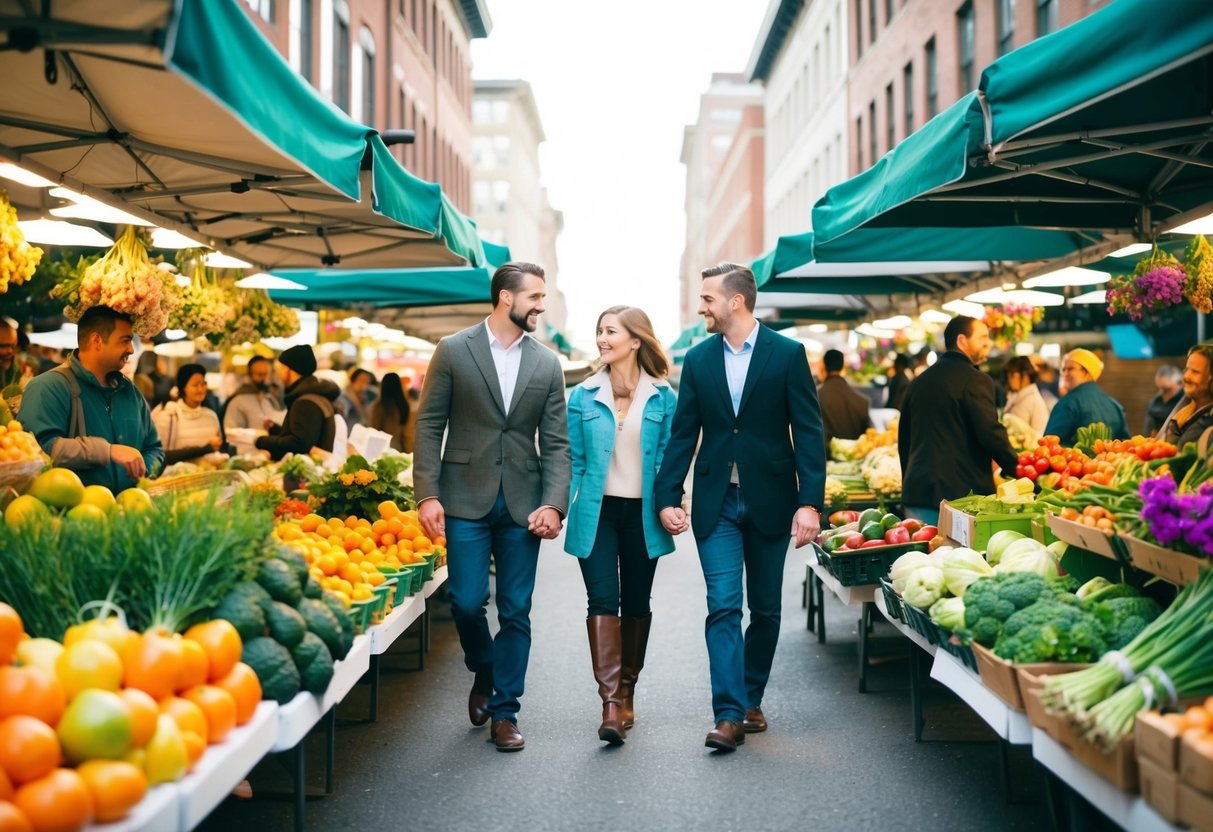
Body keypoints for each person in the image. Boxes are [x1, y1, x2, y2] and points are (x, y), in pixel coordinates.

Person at [653, 263, 825, 753]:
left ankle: (752, 697)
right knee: (723, 606)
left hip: (772, 499)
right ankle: (728, 714)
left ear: (736, 301)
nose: (701, 306)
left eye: (708, 298)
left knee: (766, 610)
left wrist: (809, 503)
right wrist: (668, 495)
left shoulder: (788, 354)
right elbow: (684, 432)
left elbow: (809, 434)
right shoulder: (698, 358)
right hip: (716, 502)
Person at [413, 262, 571, 753]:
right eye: (535, 297)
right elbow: (429, 425)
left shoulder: (547, 364)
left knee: (517, 609)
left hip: (524, 504)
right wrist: (427, 493)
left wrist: (554, 505)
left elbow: (559, 445)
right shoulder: (453, 350)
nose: (541, 305)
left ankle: (506, 711)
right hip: (462, 497)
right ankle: (484, 666)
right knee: (464, 601)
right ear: (506, 297)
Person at [563, 306, 676, 746]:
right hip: (597, 512)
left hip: (643, 517)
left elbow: (668, 460)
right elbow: (574, 460)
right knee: (601, 600)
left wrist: (673, 504)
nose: (602, 339)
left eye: (610, 332)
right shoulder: (583, 395)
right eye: (599, 331)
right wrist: (559, 507)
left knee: (636, 602)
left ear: (635, 340)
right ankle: (610, 703)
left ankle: (628, 688)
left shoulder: (663, 397)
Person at [21, 306, 164, 491]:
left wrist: (144, 467)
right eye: (125, 340)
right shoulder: (47, 388)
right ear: (97, 340)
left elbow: (155, 449)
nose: (131, 349)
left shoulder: (131, 392)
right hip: (73, 516)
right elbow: (37, 452)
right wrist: (107, 451)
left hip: (132, 512)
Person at [899, 316, 1018, 527]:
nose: (988, 343)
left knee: (922, 558)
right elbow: (990, 433)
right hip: (959, 498)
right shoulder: (975, 380)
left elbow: (904, 441)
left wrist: (908, 482)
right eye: (982, 337)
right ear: (962, 341)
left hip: (917, 494)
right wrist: (1019, 470)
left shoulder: (918, 382)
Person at [254, 345, 340, 461]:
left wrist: (260, 440)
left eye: (281, 367)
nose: (278, 373)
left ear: (290, 369)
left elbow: (300, 444)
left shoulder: (305, 402)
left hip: (308, 475)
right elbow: (306, 433)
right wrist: (275, 429)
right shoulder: (312, 394)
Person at [1043, 349, 1129, 446]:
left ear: (1086, 372)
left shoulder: (1068, 403)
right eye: (1063, 369)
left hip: (1074, 461)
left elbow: (1048, 445)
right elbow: (1124, 445)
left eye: (1070, 369)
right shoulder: (1115, 406)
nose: (1064, 374)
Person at [151, 364, 225, 465]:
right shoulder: (167, 416)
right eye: (195, 385)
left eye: (203, 384)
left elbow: (218, 450)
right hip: (179, 478)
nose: (200, 389)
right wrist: (206, 448)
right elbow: (159, 455)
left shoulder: (211, 416)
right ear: (183, 388)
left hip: (208, 476)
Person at [1157, 344, 1213, 449]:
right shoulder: (1185, 406)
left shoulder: (1209, 420)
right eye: (1186, 369)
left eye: (1195, 372)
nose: (1186, 376)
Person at [819, 349, 873, 449]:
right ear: (842, 367)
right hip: (855, 459)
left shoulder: (816, 397)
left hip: (824, 460)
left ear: (824, 367)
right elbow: (870, 436)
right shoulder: (861, 401)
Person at [223, 356, 284, 434]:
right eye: (260, 374)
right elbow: (231, 431)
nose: (265, 379)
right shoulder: (239, 398)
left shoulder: (273, 396)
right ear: (250, 375)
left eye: (267, 374)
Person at [1002, 356, 1050, 437]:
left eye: (1012, 376)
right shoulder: (1017, 396)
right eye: (1008, 376)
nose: (1009, 380)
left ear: (1025, 375)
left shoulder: (1034, 400)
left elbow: (1039, 436)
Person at [367, 372, 413, 452]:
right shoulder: (405, 405)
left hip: (380, 449)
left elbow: (373, 429)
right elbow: (408, 435)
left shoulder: (377, 407)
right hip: (399, 449)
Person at [1144, 365, 1184, 435]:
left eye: (1168, 390)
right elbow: (1148, 428)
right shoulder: (1155, 402)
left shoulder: (1185, 402)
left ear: (1179, 384)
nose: (1164, 394)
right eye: (1161, 389)